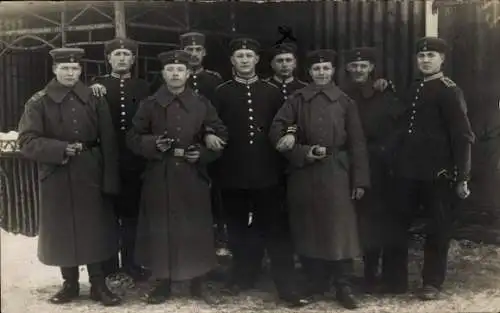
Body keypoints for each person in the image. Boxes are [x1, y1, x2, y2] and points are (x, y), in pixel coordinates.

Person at [17, 47, 121, 306]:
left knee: (94, 227)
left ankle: (99, 285)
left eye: (74, 68)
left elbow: (108, 140)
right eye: (64, 68)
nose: (70, 73)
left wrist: (109, 177)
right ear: (54, 70)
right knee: (63, 230)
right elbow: (27, 141)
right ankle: (70, 284)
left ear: (80, 70)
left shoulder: (94, 98)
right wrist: (59, 149)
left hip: (90, 170)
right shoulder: (38, 101)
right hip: (57, 173)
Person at [270, 49, 370, 310]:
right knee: (309, 227)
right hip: (304, 173)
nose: (321, 73)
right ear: (309, 72)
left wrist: (359, 180)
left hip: (337, 172)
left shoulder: (345, 102)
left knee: (339, 228)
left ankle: (343, 285)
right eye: (316, 69)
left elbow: (357, 143)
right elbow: (276, 131)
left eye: (326, 68)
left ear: (333, 70)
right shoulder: (297, 99)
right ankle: (315, 282)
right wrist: (302, 151)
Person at [211, 38, 307, 307]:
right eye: (239, 55)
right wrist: (209, 135)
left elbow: (288, 123)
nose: (244, 60)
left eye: (249, 55)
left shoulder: (271, 91)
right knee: (238, 228)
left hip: (268, 171)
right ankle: (240, 277)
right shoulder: (221, 92)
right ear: (232, 61)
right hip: (232, 172)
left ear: (256, 60)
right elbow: (211, 123)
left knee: (275, 229)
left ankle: (285, 284)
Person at [126, 50, 227, 305]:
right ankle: (163, 281)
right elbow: (133, 137)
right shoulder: (150, 104)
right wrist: (152, 144)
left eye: (180, 70)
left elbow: (219, 133)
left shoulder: (201, 103)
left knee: (196, 228)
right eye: (170, 70)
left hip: (193, 175)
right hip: (160, 174)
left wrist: (203, 151)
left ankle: (198, 282)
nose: (175, 74)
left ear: (188, 73)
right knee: (162, 229)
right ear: (163, 74)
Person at [390, 37, 474, 300]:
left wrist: (462, 176)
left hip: (438, 174)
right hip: (407, 172)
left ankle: (432, 283)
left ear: (442, 60)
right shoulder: (412, 88)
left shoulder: (449, 90)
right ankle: (395, 280)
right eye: (421, 56)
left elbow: (463, 136)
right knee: (396, 225)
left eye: (431, 56)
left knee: (438, 229)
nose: (425, 61)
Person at [342, 47, 405, 293]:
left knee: (379, 221)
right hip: (351, 166)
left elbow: (398, 129)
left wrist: (381, 153)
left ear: (371, 68)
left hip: (381, 168)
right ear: (348, 69)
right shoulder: (343, 94)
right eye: (354, 65)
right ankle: (360, 274)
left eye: (363, 65)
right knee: (359, 221)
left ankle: (381, 276)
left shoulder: (385, 93)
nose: (358, 70)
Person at [90, 37, 151, 282]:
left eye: (127, 54)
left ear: (133, 59)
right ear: (109, 59)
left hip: (135, 161)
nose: (122, 58)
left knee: (132, 216)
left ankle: (132, 263)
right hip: (106, 160)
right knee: (106, 215)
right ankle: (108, 266)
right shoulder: (97, 86)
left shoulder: (145, 87)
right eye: (117, 54)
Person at [179, 31, 227, 255]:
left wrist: (209, 133)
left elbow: (219, 113)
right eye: (189, 50)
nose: (194, 54)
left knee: (213, 196)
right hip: (180, 147)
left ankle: (216, 245)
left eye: (198, 50)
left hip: (209, 149)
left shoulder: (215, 80)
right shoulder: (171, 78)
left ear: (204, 52)